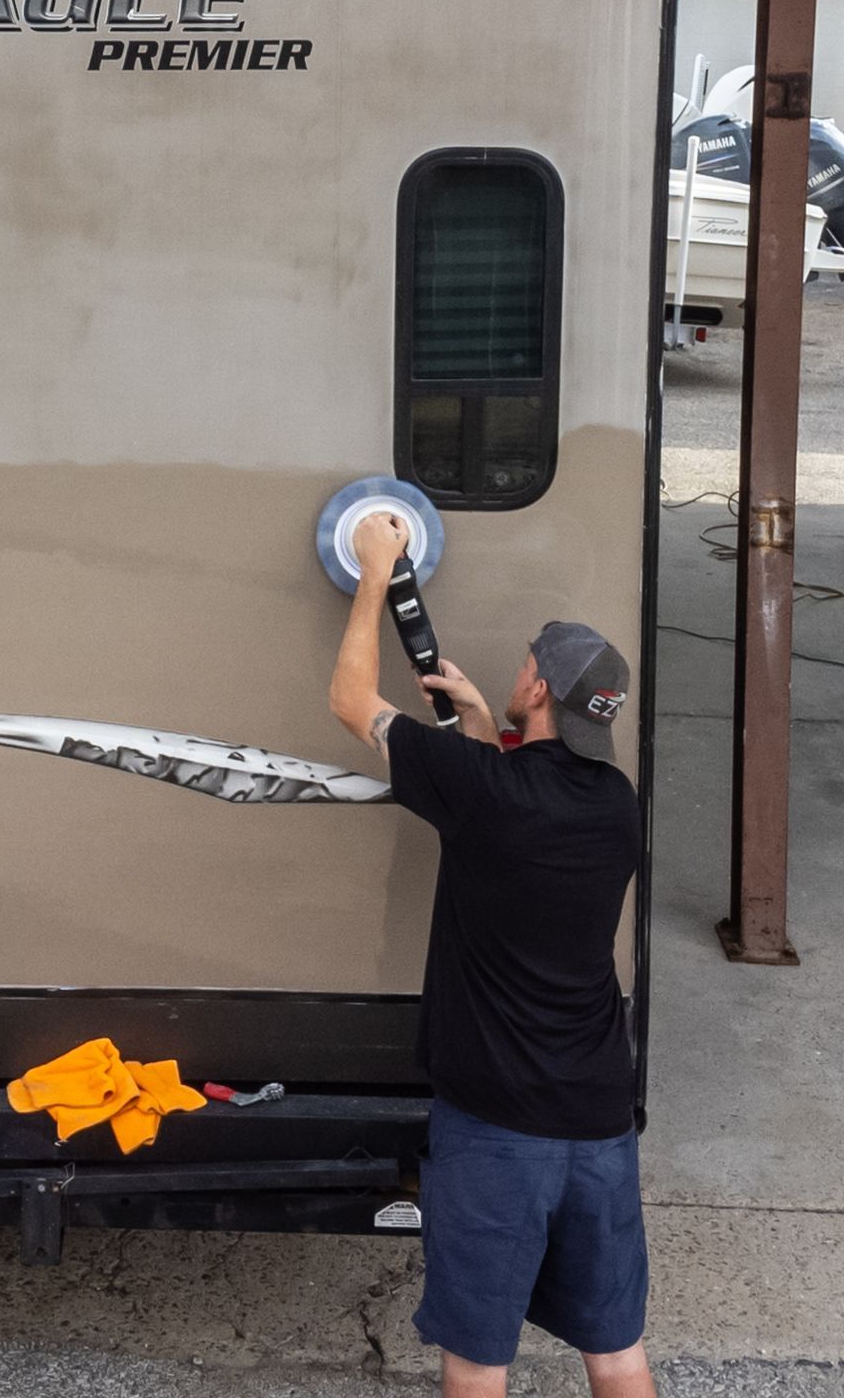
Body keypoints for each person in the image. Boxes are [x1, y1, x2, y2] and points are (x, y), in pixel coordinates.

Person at [328, 510, 653, 1398]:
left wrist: (374, 568)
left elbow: (352, 701)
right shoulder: (616, 805)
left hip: (499, 1132)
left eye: (523, 667)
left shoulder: (487, 792)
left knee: (479, 1363)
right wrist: (479, 720)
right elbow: (517, 806)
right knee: (617, 1352)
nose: (513, 675)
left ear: (539, 689)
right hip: (599, 1123)